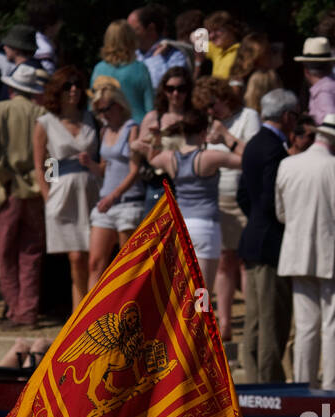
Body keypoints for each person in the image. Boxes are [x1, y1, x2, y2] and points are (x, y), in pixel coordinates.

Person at [274, 113, 335, 391]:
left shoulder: (287, 165)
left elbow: (281, 214)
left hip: (298, 253)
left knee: (305, 326)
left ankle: (304, 388)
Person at [142, 106, 239, 295]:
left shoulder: (171, 158)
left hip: (181, 226)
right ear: (203, 132)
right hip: (205, 227)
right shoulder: (209, 157)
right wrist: (226, 137)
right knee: (202, 293)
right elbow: (246, 160)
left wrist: (157, 139)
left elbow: (152, 161)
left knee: (180, 292)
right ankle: (200, 323)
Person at [0, 63, 47, 330]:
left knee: (4, 254)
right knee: (30, 253)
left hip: (4, 191)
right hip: (33, 190)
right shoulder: (41, 113)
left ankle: (17, 310)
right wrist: (46, 184)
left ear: (11, 88)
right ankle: (28, 311)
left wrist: (1, 172)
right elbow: (51, 156)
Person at [237, 88, 298, 383]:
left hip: (255, 238)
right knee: (272, 322)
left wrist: (257, 220)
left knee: (255, 320)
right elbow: (275, 200)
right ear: (286, 116)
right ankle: (268, 387)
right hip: (271, 243)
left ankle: (252, 383)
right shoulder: (274, 148)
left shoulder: (253, 144)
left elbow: (243, 196)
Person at [196, 75, 258, 341]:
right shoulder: (209, 123)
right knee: (223, 262)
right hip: (217, 197)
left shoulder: (248, 116)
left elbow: (255, 157)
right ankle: (225, 325)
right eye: (205, 108)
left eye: (212, 104)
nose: (210, 111)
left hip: (244, 196)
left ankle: (254, 322)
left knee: (245, 262)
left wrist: (225, 136)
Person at [32, 65, 98, 312]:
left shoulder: (91, 119)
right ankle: (78, 313)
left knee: (94, 257)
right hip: (63, 193)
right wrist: (49, 195)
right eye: (67, 86)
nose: (73, 91)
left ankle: (94, 311)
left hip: (91, 190)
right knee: (75, 257)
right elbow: (42, 165)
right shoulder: (46, 123)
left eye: (77, 86)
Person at [86, 78, 142, 291]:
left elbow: (134, 171)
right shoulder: (104, 131)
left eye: (105, 109)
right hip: (105, 202)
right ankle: (89, 317)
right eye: (98, 111)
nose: (102, 115)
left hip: (127, 203)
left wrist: (114, 195)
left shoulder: (132, 128)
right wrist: (89, 164)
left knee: (126, 267)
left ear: (118, 105)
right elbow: (103, 169)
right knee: (95, 263)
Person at [91, 20, 154, 127]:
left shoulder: (98, 69)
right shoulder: (140, 68)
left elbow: (92, 106)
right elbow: (150, 107)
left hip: (109, 129)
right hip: (137, 127)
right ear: (131, 39)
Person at [129, 5, 189, 91]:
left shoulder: (175, 56)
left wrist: (155, 59)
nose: (128, 34)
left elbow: (156, 87)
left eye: (133, 30)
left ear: (151, 28)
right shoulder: (130, 55)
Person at [204, 11, 242, 80]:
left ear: (231, 28)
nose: (211, 36)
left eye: (216, 30)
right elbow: (194, 36)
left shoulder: (242, 51)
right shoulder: (215, 48)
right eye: (209, 32)